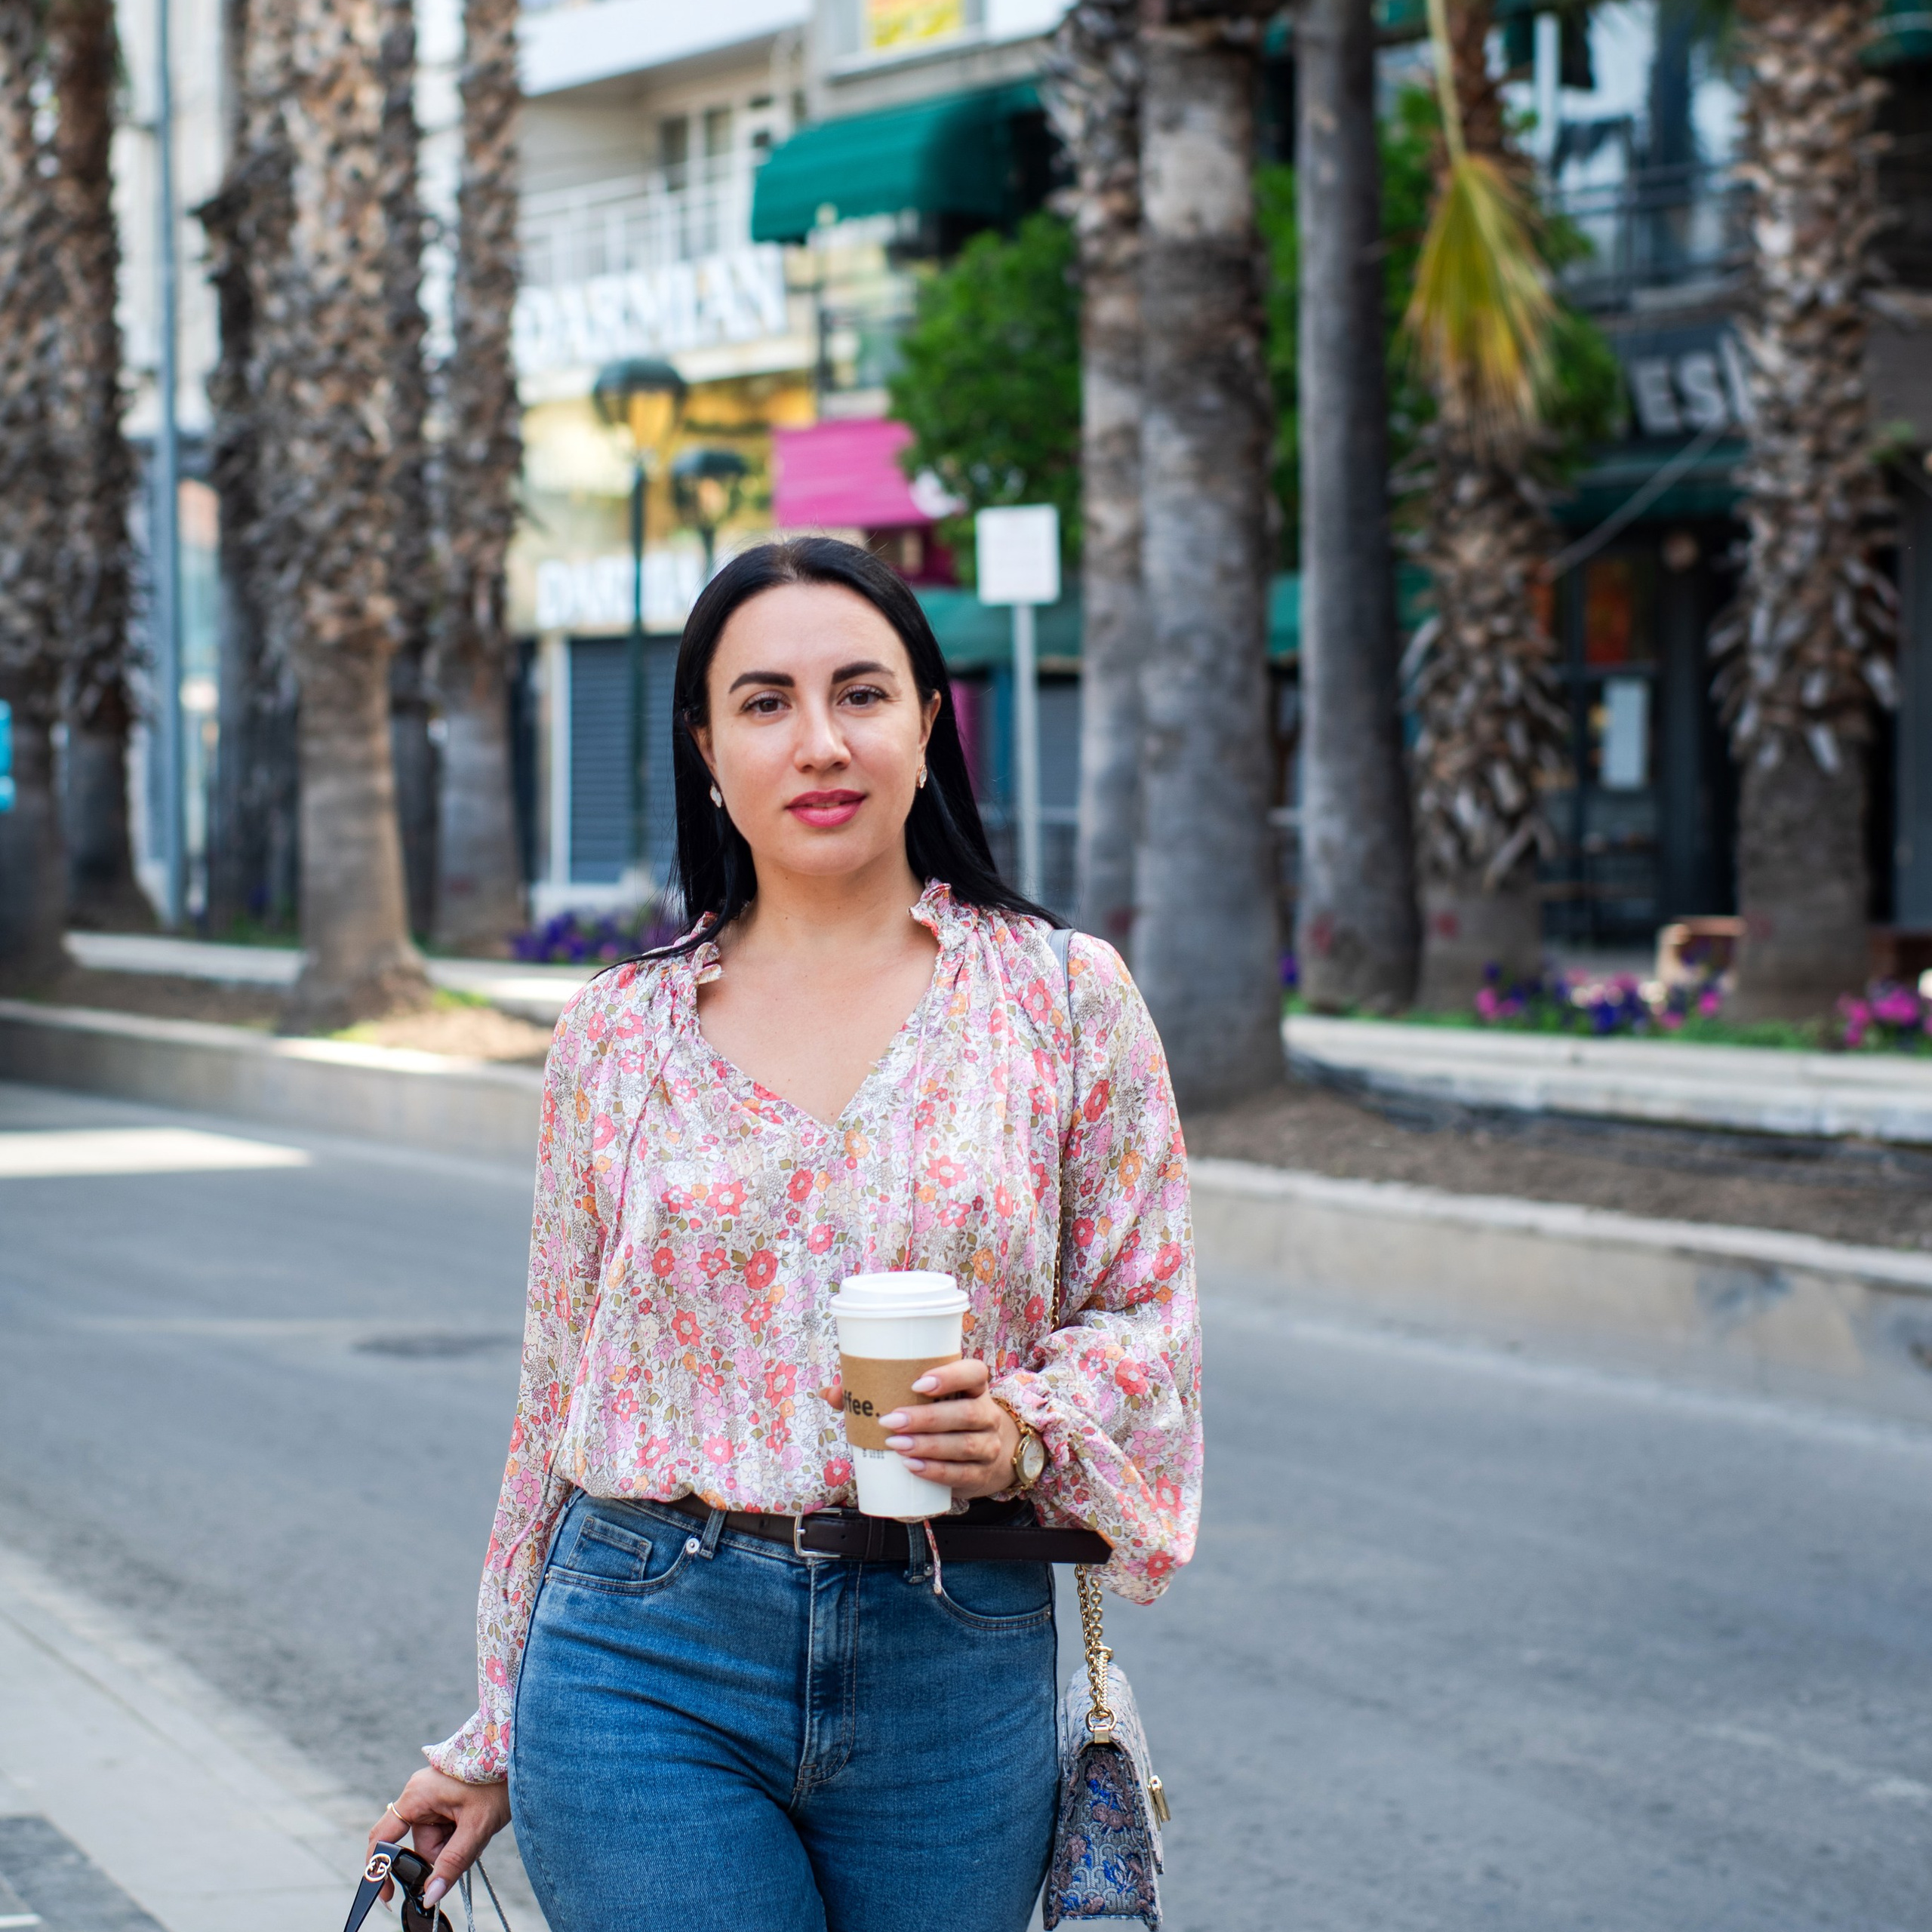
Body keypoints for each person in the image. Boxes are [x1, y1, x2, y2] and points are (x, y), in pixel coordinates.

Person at [368, 536, 1201, 1931]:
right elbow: (554, 1405)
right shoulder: (617, 1035)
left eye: (861, 693)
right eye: (764, 702)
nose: (820, 741)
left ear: (930, 725)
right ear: (703, 743)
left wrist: (1023, 1428)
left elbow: (1147, 1318)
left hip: (960, 1659)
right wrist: (495, 1729)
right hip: (645, 1658)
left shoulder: (1063, 1000)